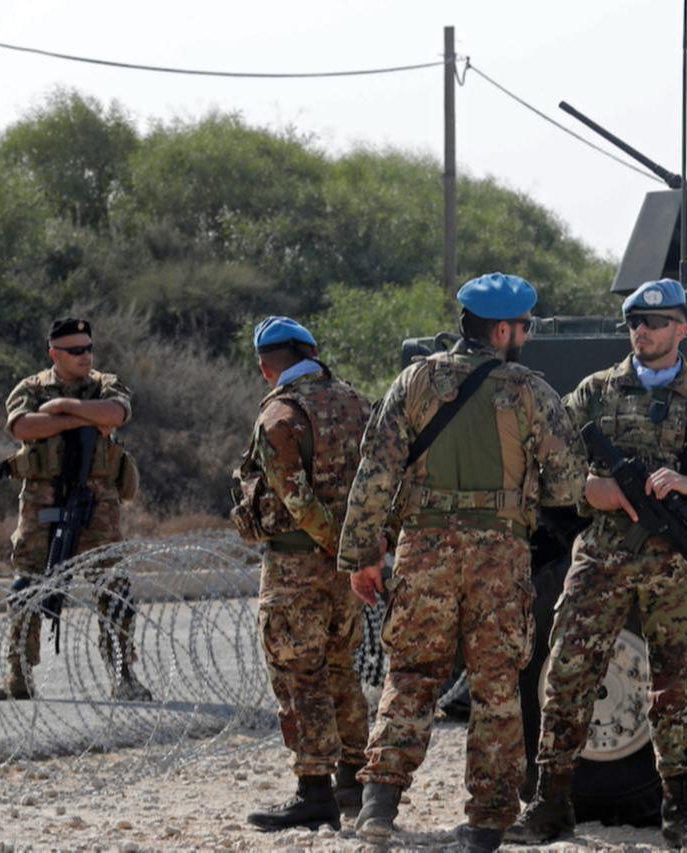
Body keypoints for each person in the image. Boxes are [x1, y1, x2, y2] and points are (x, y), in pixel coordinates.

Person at [507, 279, 687, 851]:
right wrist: (589, 489)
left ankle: (680, 811)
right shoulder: (595, 392)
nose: (641, 331)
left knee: (677, 688)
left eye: (655, 321)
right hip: (602, 556)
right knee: (568, 675)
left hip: (677, 564)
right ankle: (550, 804)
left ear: (682, 329)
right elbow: (542, 462)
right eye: (634, 322)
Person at [339, 273, 584, 853]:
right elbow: (567, 484)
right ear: (501, 331)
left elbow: (375, 472)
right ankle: (486, 823)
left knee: (411, 674)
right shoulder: (530, 391)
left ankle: (379, 803)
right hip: (499, 554)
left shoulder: (414, 380)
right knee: (497, 686)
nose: (526, 336)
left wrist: (362, 556)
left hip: (424, 549)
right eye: (523, 326)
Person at [233, 317, 372, 833]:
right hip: (348, 567)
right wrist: (359, 548)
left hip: (296, 567)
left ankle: (314, 790)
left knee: (299, 674)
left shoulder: (280, 415)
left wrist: (334, 541)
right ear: (312, 351)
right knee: (341, 667)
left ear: (266, 367)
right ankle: (354, 780)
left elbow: (295, 498)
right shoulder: (358, 404)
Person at [0, 318, 152, 703]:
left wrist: (63, 408)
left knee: (114, 589)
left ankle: (123, 675)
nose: (85, 356)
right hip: (41, 503)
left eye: (88, 348)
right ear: (54, 354)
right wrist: (84, 420)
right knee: (27, 587)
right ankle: (19, 675)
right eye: (76, 350)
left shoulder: (106, 384)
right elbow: (23, 427)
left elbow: (115, 414)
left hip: (98, 504)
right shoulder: (31, 388)